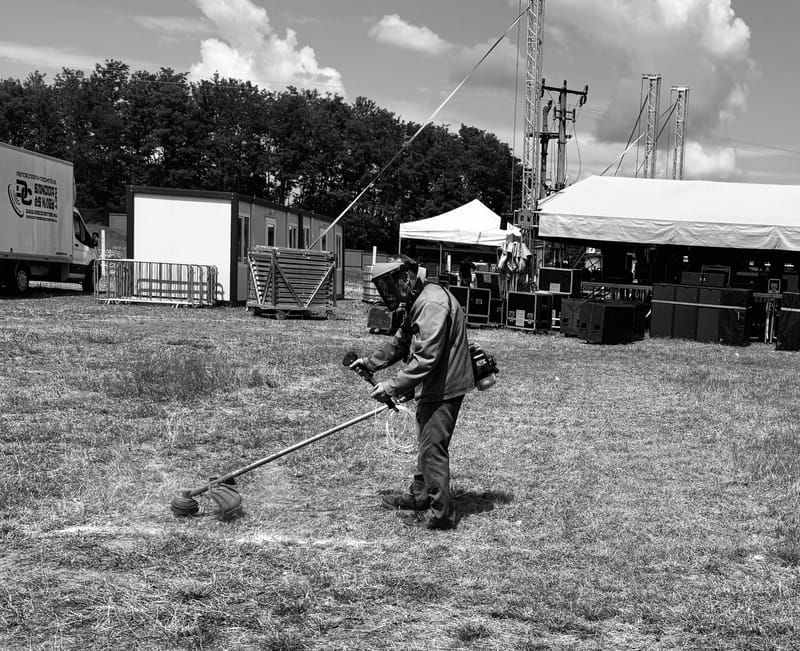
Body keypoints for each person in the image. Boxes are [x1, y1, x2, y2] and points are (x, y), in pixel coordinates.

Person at [351, 257, 474, 530]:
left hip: (444, 386)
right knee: (427, 444)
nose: (389, 293)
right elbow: (402, 340)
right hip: (434, 383)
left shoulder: (431, 303)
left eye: (390, 285)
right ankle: (420, 496)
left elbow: (427, 357)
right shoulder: (419, 299)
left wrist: (392, 386)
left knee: (433, 450)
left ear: (406, 278)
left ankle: (440, 516)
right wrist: (370, 363)